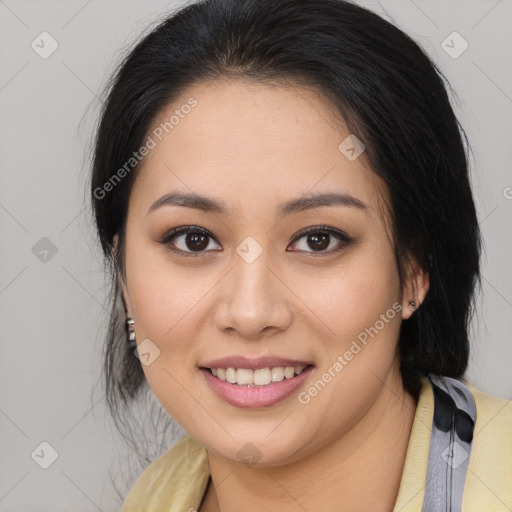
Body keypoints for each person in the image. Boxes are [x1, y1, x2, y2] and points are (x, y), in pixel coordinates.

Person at [89, 0, 512, 510]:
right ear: (124, 276)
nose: (250, 313)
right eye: (193, 239)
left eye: (318, 239)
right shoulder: (157, 496)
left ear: (414, 268)